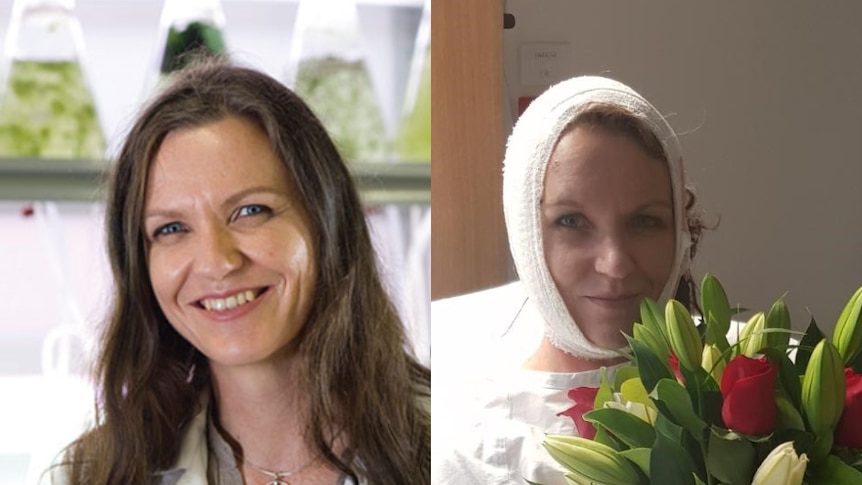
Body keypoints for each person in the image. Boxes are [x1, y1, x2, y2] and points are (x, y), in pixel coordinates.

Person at [47, 61, 431, 485]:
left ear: (327, 221)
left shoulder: (464, 447)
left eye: (250, 211)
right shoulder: (89, 476)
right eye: (171, 228)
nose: (217, 261)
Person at [431, 76, 707, 484]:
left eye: (645, 221)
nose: (615, 264)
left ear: (679, 229)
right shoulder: (464, 450)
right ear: (526, 232)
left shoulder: (746, 398)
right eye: (572, 222)